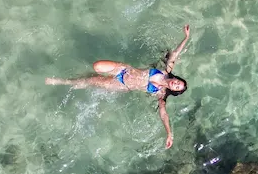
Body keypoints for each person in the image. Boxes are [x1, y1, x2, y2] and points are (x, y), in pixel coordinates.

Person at [46, 24, 191, 148]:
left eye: (177, 87)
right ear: (176, 79)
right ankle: (86, 77)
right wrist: (186, 37)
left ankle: (63, 81)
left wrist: (169, 133)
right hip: (124, 70)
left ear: (173, 90)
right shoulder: (166, 70)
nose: (176, 84)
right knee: (97, 66)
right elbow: (175, 54)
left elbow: (164, 114)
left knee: (91, 81)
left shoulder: (161, 94)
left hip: (121, 85)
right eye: (178, 82)